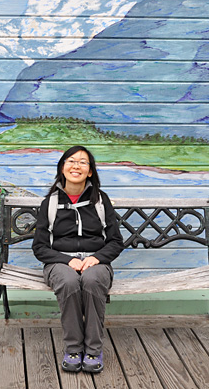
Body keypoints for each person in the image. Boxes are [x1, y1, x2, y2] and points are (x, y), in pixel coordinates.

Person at [32, 145, 124, 373]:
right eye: (71, 161)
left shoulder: (101, 200)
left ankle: (93, 350)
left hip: (96, 262)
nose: (77, 166)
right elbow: (40, 247)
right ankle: (73, 348)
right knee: (69, 282)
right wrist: (65, 260)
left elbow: (115, 241)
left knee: (92, 281)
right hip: (59, 263)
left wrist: (97, 258)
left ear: (90, 171)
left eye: (83, 162)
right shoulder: (50, 203)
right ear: (62, 168)